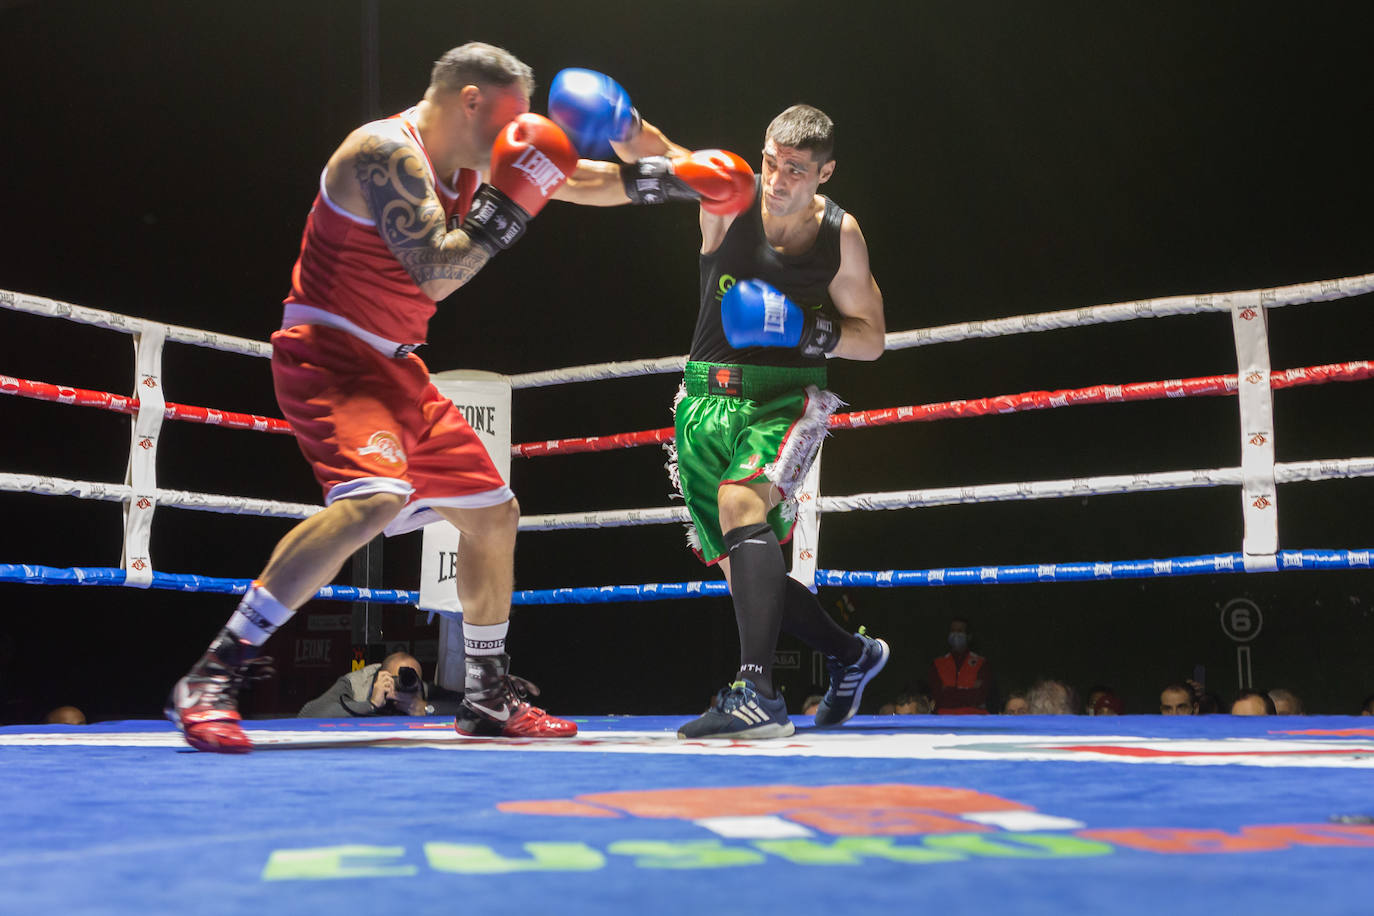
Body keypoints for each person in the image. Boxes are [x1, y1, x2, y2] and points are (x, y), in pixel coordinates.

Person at [166, 42, 634, 753]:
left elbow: (578, 178)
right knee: (374, 498)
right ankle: (213, 674)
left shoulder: (470, 161)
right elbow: (436, 272)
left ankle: (486, 696)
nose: (515, 133)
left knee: (494, 515)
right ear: (471, 100)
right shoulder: (383, 153)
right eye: (509, 116)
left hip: (396, 367)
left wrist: (685, 181)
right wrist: (512, 205)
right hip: (329, 356)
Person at [546, 73, 889, 739]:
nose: (778, 180)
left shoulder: (840, 235)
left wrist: (804, 329)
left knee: (740, 505)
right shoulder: (730, 195)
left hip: (787, 397)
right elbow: (660, 155)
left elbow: (871, 339)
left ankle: (757, 694)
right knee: (749, 575)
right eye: (771, 161)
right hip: (704, 401)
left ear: (825, 173)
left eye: (795, 170)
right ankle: (853, 654)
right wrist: (621, 124)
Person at [298, 651, 463, 717]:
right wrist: (370, 705)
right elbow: (308, 714)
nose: (404, 685)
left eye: (410, 679)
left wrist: (426, 708)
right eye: (397, 679)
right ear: (380, 678)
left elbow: (469, 707)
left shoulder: (418, 688)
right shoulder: (357, 683)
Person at [928, 618, 994, 714]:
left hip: (974, 717)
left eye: (959, 631)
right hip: (944, 718)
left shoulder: (982, 663)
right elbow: (938, 696)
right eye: (953, 631)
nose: (956, 635)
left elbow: (980, 696)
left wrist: (948, 690)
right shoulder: (937, 663)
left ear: (969, 636)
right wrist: (968, 690)